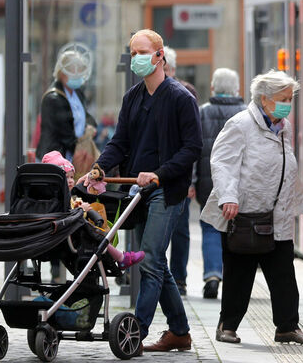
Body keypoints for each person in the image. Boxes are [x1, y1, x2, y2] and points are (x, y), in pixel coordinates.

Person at [91, 29, 201, 352]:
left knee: (150, 260)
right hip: (137, 191)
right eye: (132, 53)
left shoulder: (182, 98)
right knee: (156, 263)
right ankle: (179, 331)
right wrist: (99, 166)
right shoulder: (132, 98)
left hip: (167, 191)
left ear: (159, 55)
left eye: (142, 52)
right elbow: (120, 143)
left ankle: (135, 331)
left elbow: (192, 148)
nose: (136, 58)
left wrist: (159, 174)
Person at [201, 70, 303, 345]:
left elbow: (288, 170)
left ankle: (287, 327)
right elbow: (223, 163)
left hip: (277, 216)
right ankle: (227, 326)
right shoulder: (240, 124)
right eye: (283, 98)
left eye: (290, 98)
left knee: (283, 275)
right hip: (244, 214)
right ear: (264, 100)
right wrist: (228, 197)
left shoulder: (283, 128)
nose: (288, 103)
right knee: (239, 273)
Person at [42, 150, 145, 269]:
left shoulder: (47, 199)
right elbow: (67, 215)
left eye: (72, 177)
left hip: (57, 235)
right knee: (94, 232)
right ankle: (120, 258)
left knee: (95, 231)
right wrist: (82, 210)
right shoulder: (59, 199)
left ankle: (119, 257)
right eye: (66, 177)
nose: (70, 181)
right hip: (67, 236)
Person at [195, 68, 246, 299]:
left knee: (211, 228)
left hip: (209, 182)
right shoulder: (246, 113)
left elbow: (194, 150)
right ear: (237, 89)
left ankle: (213, 276)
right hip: (240, 183)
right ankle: (237, 282)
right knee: (238, 229)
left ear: (213, 87)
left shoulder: (202, 113)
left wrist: (193, 181)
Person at [37, 46, 97, 178]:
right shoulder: (53, 98)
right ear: (63, 73)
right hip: (57, 158)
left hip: (75, 155)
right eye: (76, 71)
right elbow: (65, 133)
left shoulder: (78, 93)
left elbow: (85, 115)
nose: (79, 76)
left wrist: (91, 126)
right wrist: (81, 148)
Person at [164, 46, 195, 296]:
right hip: (154, 179)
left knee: (181, 230)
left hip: (179, 178)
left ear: (172, 69)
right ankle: (167, 279)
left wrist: (191, 180)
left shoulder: (185, 95)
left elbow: (194, 144)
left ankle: (179, 278)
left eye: (165, 68)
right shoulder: (140, 94)